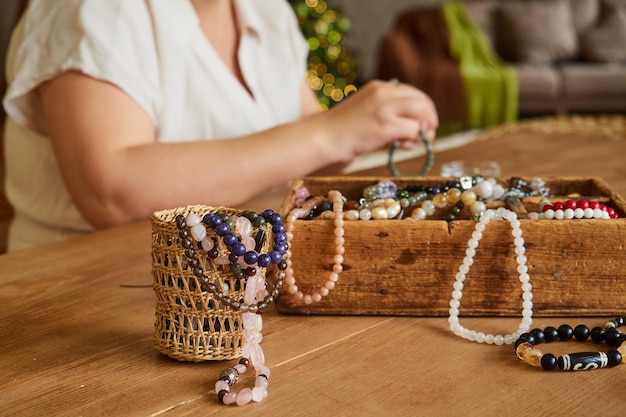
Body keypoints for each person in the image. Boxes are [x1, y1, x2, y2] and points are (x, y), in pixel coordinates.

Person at [2, 0, 438, 252]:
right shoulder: (93, 10)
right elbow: (111, 192)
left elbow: (303, 147)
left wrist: (366, 127)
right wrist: (330, 133)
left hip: (243, 285)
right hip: (84, 305)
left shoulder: (265, 10)